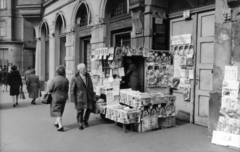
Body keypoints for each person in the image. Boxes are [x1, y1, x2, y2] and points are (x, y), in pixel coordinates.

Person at [70, 63, 95, 130]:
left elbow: (91, 85)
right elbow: (72, 89)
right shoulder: (75, 77)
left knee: (89, 108)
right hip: (80, 96)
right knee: (80, 111)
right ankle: (80, 123)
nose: (85, 70)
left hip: (88, 95)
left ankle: (85, 120)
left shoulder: (88, 75)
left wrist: (92, 94)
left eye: (85, 69)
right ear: (80, 70)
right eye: (84, 69)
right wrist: (74, 99)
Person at [48, 65, 69, 132]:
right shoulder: (66, 80)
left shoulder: (54, 79)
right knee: (60, 110)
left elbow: (50, 89)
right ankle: (56, 123)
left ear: (57, 72)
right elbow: (67, 89)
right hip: (63, 97)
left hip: (55, 97)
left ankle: (60, 126)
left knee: (57, 111)